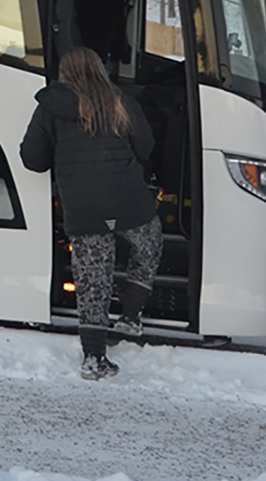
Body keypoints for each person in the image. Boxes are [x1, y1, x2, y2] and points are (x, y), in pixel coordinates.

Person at [19, 46, 163, 380]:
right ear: (100, 69)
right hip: (128, 199)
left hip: (84, 207)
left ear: (65, 72)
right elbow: (146, 147)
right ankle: (130, 314)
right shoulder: (120, 101)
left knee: (93, 279)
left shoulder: (50, 108)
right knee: (150, 241)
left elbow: (33, 159)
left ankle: (94, 359)